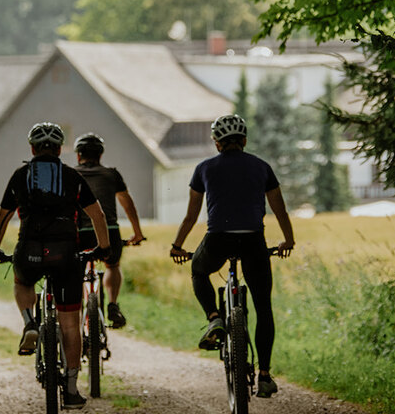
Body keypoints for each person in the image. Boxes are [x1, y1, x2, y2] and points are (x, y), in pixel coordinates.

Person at [0, 122, 111, 410]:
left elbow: (3, 218)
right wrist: (103, 248)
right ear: (59, 149)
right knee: (70, 325)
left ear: (32, 149)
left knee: (23, 282)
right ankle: (70, 388)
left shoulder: (21, 175)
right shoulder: (72, 176)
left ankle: (30, 321)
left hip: (29, 251)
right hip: (67, 255)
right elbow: (98, 215)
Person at [170, 114, 295, 399]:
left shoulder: (204, 168)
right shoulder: (262, 167)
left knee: (199, 271)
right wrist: (288, 240)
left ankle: (214, 317)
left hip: (218, 241)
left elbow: (191, 216)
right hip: (253, 241)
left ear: (217, 144)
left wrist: (177, 245)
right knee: (263, 308)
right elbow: (280, 210)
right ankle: (264, 376)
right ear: (245, 141)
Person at [74, 132, 146, 328]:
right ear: (100, 155)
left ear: (78, 155)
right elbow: (126, 203)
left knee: (75, 273)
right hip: (109, 230)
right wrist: (137, 232)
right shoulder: (111, 174)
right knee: (112, 265)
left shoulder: (71, 174)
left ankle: (77, 309)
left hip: (79, 232)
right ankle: (113, 304)